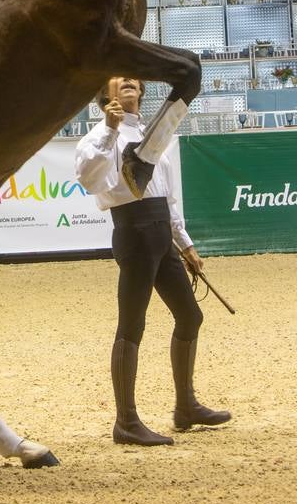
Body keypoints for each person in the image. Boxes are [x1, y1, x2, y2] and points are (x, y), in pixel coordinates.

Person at [75, 77, 231, 447]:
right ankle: (126, 422)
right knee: (131, 326)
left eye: (134, 77)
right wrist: (111, 131)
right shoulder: (97, 136)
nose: (129, 80)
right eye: (119, 78)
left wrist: (186, 244)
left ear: (142, 90)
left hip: (162, 232)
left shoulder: (154, 134)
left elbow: (167, 195)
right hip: (134, 232)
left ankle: (185, 407)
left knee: (191, 315)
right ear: (104, 95)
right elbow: (89, 179)